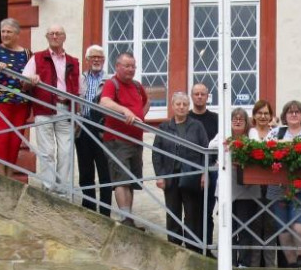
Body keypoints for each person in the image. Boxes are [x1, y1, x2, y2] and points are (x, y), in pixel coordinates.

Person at [22, 24, 80, 197]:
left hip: (66, 109)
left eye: (58, 33)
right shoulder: (37, 58)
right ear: (47, 37)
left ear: (64, 37)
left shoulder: (73, 61)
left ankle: (63, 191)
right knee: (46, 151)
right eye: (52, 33)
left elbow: (79, 91)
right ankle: (48, 188)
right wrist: (30, 79)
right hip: (44, 107)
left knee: (66, 152)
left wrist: (78, 114)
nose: (55, 36)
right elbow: (23, 82)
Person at [265, 100, 301, 267]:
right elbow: (265, 152)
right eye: (290, 112)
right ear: (284, 116)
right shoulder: (276, 133)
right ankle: (291, 264)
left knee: (299, 225)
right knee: (283, 228)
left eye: (297, 112)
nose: (294, 115)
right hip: (278, 189)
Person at [152, 91, 209, 251]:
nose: (182, 107)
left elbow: (205, 150)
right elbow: (157, 152)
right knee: (173, 213)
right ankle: (174, 247)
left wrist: (204, 174)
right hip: (170, 177)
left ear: (188, 106)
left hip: (191, 176)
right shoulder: (164, 127)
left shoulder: (197, 126)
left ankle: (192, 248)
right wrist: (160, 176)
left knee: (192, 214)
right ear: (172, 106)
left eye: (184, 104)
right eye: (178, 104)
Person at [99, 52, 149, 230]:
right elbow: (104, 102)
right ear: (117, 66)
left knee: (132, 180)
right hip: (117, 139)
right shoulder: (112, 84)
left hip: (135, 139)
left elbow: (146, 102)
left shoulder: (136, 85)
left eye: (133, 66)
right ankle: (125, 218)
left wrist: (139, 115)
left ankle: (129, 218)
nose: (131, 69)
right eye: (127, 66)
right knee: (122, 179)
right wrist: (125, 112)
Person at [209, 108, 261, 266]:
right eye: (234, 119)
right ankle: (229, 262)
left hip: (247, 188)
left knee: (245, 228)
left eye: (241, 119)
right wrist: (231, 143)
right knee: (228, 227)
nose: (237, 121)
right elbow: (212, 145)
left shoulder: (251, 133)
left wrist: (230, 147)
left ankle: (243, 262)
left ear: (246, 122)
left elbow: (256, 146)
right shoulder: (224, 133)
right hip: (226, 187)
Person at [0, 18, 31, 178]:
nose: (5, 34)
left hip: (21, 103)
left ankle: (10, 176)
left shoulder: (27, 54)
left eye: (9, 31)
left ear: (17, 34)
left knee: (15, 140)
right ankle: (0, 174)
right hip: (0, 101)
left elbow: (30, 75)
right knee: (2, 136)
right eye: (3, 31)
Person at [76, 45, 111, 216]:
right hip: (83, 127)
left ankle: (105, 212)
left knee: (105, 171)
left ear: (104, 60)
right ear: (87, 60)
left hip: (102, 128)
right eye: (93, 57)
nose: (96, 60)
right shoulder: (80, 79)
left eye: (100, 57)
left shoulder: (110, 80)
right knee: (85, 170)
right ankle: (88, 208)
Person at [188, 83, 218, 254]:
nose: (199, 97)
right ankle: (191, 247)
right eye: (196, 94)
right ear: (192, 96)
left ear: (208, 97)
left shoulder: (216, 119)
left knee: (207, 211)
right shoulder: (187, 118)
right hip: (191, 169)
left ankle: (205, 248)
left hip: (211, 170)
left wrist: (215, 163)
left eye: (202, 94)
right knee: (192, 210)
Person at [248, 99, 276, 267]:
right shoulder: (250, 133)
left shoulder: (276, 133)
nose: (263, 116)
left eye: (266, 113)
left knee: (271, 226)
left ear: (271, 116)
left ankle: (270, 267)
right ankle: (254, 265)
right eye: (260, 113)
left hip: (273, 184)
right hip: (253, 184)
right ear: (254, 115)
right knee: (255, 225)